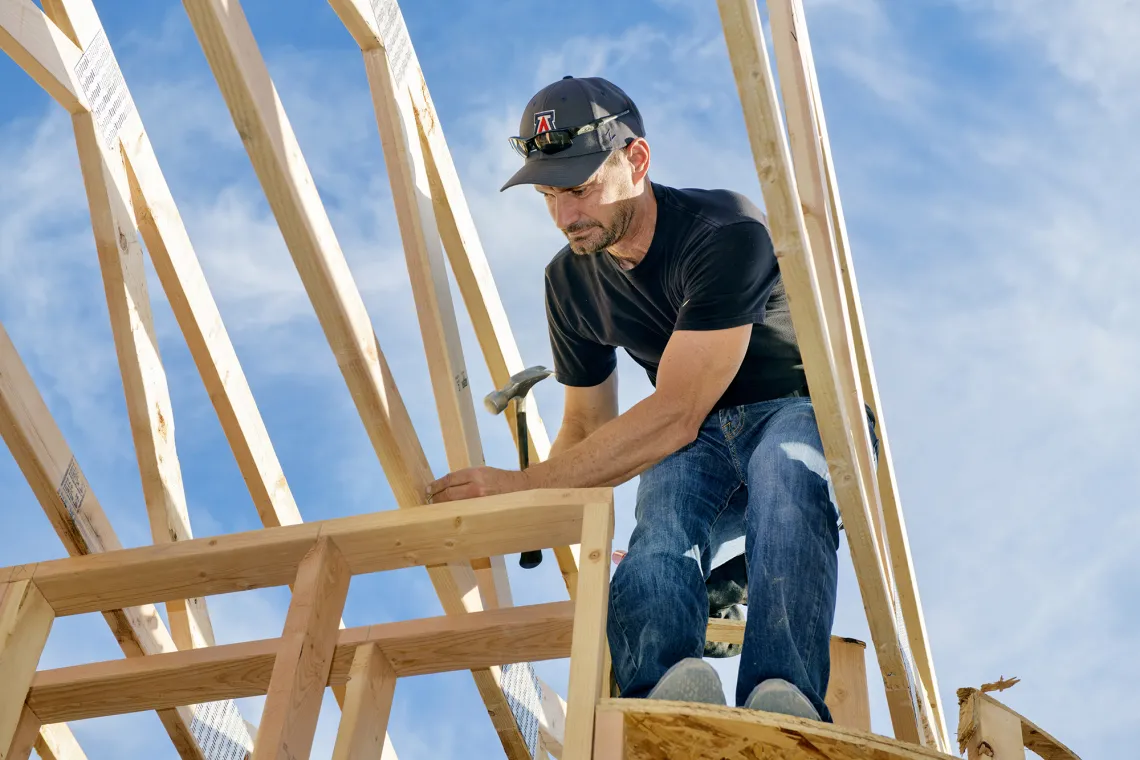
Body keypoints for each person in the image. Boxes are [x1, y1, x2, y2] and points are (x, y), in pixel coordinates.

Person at [426, 76, 876, 721]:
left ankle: (785, 699)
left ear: (635, 160)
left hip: (801, 410)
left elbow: (677, 409)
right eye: (550, 195)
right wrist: (534, 507)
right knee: (660, 521)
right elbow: (585, 422)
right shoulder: (568, 283)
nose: (565, 216)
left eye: (579, 189)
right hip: (698, 441)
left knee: (786, 476)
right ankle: (661, 696)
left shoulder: (725, 229)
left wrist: (519, 484)